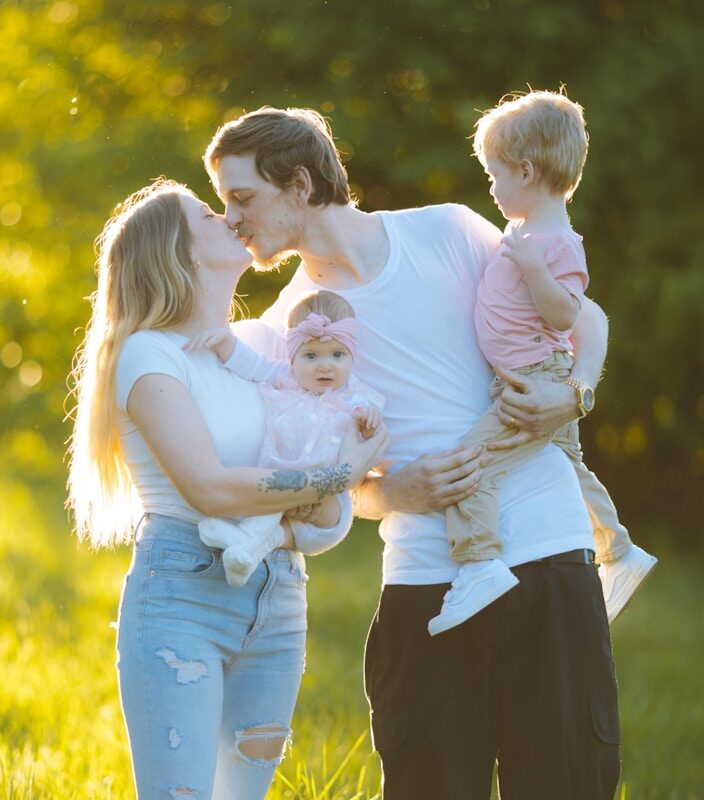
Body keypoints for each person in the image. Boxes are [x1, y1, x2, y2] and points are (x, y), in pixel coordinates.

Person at [205, 106, 621, 798]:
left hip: (548, 557)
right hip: (427, 586)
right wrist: (392, 494)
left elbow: (584, 316)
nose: (232, 219)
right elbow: (332, 487)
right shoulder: (292, 328)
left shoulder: (448, 232)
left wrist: (575, 392)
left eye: (243, 197)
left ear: (300, 186)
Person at [66, 178, 388, 799]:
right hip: (184, 593)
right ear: (181, 253)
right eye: (209, 215)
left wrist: (324, 502)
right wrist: (337, 476)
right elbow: (211, 489)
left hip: (280, 595)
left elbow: (324, 506)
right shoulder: (149, 354)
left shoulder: (256, 358)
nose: (231, 218)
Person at [428, 90, 657, 635]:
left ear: (526, 171)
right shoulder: (527, 233)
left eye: (494, 175)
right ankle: (620, 549)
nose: (492, 186)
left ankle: (479, 562)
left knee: (470, 465)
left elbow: (563, 317)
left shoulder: (556, 244)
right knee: (571, 469)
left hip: (535, 381)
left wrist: (533, 269)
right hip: (535, 374)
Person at [183, 289, 384, 587]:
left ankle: (241, 540)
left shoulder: (356, 398)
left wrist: (368, 423)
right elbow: (251, 364)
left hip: (326, 501)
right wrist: (226, 343)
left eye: (337, 355)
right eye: (311, 355)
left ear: (352, 356)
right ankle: (245, 549)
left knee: (307, 511)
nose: (325, 365)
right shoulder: (285, 378)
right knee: (269, 504)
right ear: (293, 357)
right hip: (280, 488)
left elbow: (369, 441)